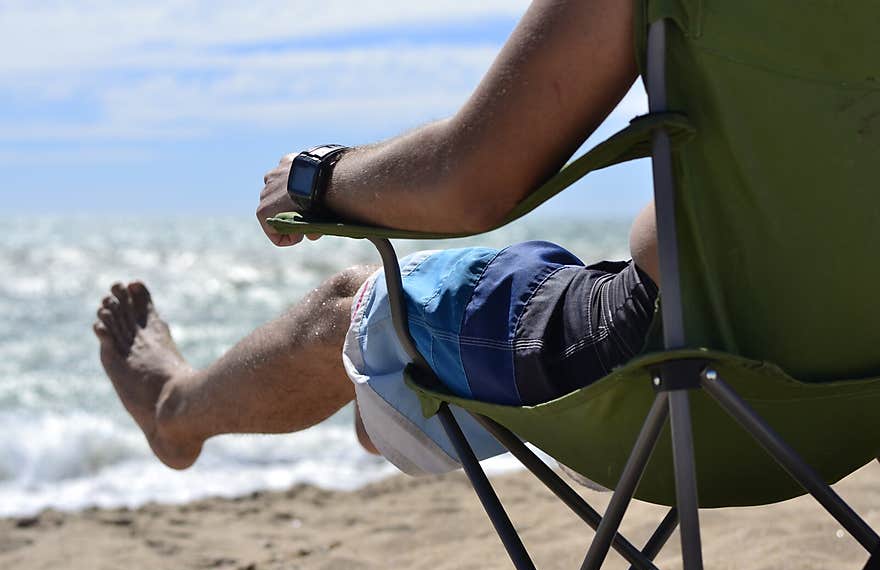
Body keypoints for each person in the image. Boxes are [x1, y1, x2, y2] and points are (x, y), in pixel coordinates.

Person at [94, 0, 660, 474]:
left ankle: (175, 413)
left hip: (649, 372)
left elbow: (469, 182)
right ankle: (391, 398)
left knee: (358, 305)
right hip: (745, 409)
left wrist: (315, 177)